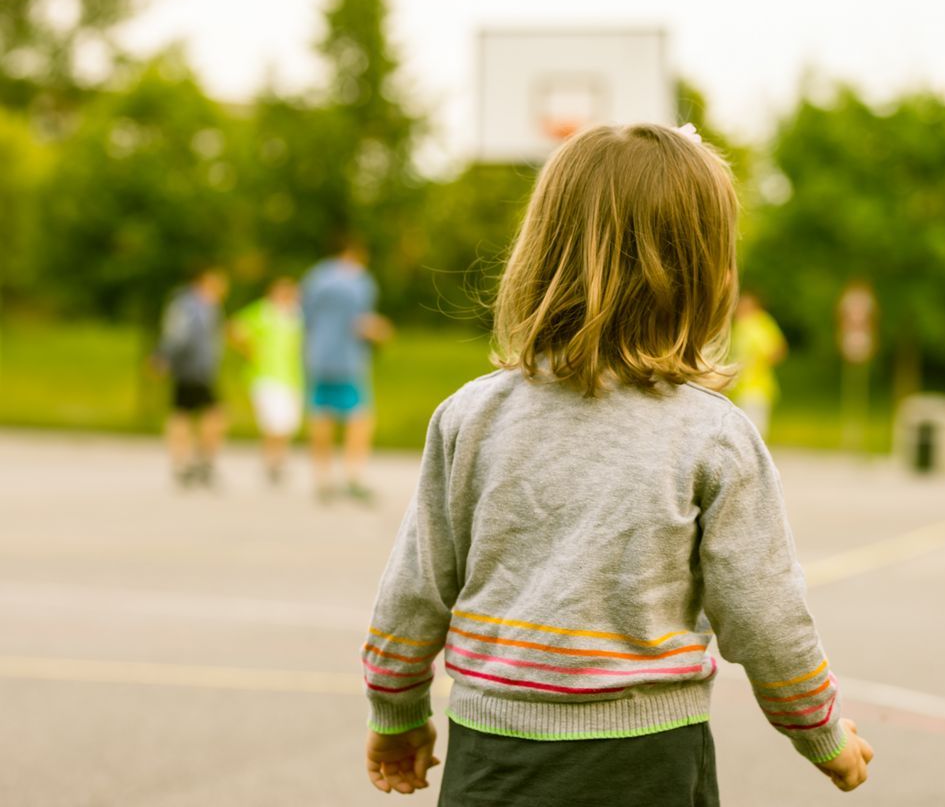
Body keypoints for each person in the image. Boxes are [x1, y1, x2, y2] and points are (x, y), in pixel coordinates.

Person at [360, 124, 873, 804]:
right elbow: (764, 614)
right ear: (708, 279)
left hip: (493, 760)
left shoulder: (471, 416)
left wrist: (396, 714)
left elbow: (414, 589)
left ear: (539, 255)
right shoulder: (713, 434)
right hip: (647, 762)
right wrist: (822, 732)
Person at [301, 235, 392, 504]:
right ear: (355, 253)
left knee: (321, 415)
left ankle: (322, 479)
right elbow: (360, 322)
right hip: (348, 360)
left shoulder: (315, 277)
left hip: (318, 356)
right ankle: (352, 476)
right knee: (359, 418)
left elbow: (305, 317)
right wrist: (380, 332)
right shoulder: (359, 281)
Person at [152, 266, 229, 489]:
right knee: (201, 414)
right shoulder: (189, 305)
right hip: (192, 368)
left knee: (187, 413)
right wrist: (164, 356)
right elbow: (177, 335)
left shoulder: (209, 305)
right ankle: (191, 462)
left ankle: (190, 462)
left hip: (202, 369)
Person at [229, 276, 304, 485]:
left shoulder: (297, 315)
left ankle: (279, 460)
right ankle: (270, 462)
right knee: (272, 421)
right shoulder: (263, 311)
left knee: (288, 423)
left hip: (292, 377)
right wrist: (249, 350)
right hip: (265, 375)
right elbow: (235, 327)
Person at [729, 291, 788, 437]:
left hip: (756, 388)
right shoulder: (741, 326)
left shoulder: (757, 324)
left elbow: (777, 350)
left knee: (752, 432)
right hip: (741, 388)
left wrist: (754, 365)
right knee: (743, 432)